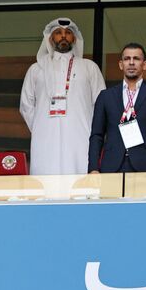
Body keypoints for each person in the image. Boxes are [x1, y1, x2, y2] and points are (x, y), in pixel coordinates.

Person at [20, 18, 106, 175]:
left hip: (80, 134)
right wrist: (41, 126)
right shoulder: (35, 69)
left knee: (79, 177)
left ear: (75, 38)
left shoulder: (89, 67)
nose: (63, 36)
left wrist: (90, 129)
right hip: (45, 136)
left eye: (68, 33)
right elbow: (26, 104)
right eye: (58, 33)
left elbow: (101, 103)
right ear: (50, 38)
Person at [88, 43, 146, 173]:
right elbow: (97, 135)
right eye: (127, 59)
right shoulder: (106, 96)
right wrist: (93, 168)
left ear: (145, 65)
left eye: (136, 59)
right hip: (111, 165)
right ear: (121, 64)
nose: (131, 63)